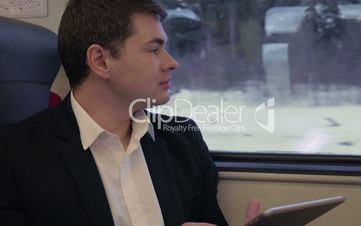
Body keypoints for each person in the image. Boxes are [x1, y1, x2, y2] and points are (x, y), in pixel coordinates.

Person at [0, 0, 260, 225]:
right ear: (101, 61)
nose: (172, 62)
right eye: (154, 49)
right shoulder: (14, 156)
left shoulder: (183, 139)